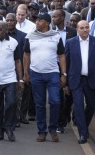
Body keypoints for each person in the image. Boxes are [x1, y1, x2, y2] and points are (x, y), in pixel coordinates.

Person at [23, 12, 67, 143]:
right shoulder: (30, 36)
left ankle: (53, 129)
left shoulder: (56, 36)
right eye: (36, 20)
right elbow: (26, 54)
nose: (36, 22)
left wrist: (64, 74)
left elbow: (61, 56)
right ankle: (42, 131)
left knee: (55, 101)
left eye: (40, 21)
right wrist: (26, 73)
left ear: (47, 23)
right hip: (36, 73)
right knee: (40, 104)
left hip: (53, 73)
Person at [65, 20, 95, 144]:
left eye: (87, 27)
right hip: (76, 80)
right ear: (77, 29)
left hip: (92, 80)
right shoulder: (70, 43)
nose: (85, 30)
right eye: (82, 28)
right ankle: (83, 133)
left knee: (91, 106)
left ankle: (82, 125)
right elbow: (66, 64)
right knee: (78, 105)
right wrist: (65, 83)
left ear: (89, 28)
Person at [51, 9, 77, 133]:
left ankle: (65, 116)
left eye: (55, 17)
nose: (53, 19)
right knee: (58, 96)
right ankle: (59, 123)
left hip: (70, 66)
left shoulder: (72, 32)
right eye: (52, 17)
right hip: (54, 66)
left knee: (69, 95)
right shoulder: (50, 33)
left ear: (62, 17)